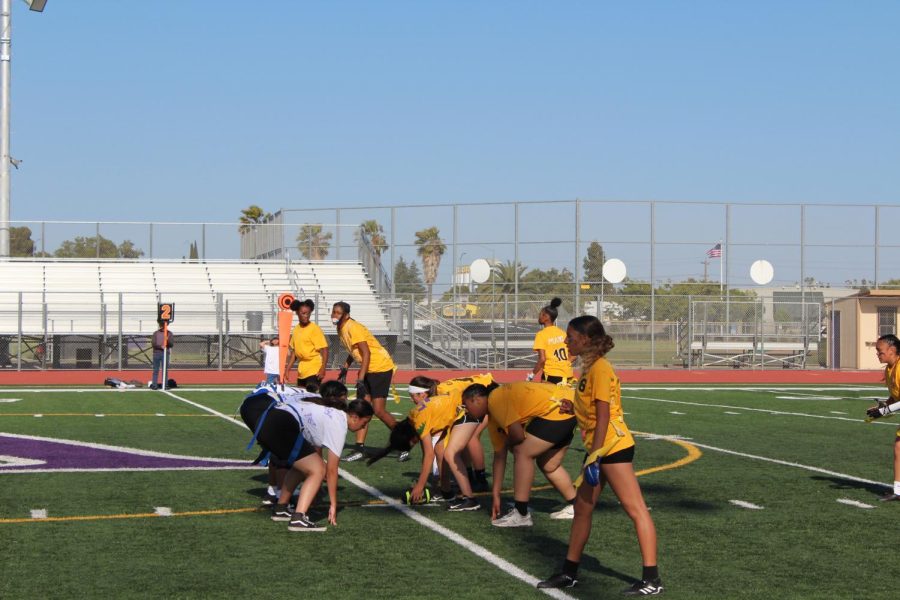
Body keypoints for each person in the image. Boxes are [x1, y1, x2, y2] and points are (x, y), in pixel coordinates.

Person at [537, 315, 662, 596]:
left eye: (570, 336)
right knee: (582, 509)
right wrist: (575, 408)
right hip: (599, 447)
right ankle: (569, 573)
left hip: (611, 447)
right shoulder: (590, 368)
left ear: (585, 339)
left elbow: (604, 414)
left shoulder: (600, 369)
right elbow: (593, 410)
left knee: (635, 508)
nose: (566, 341)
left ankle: (652, 578)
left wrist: (594, 455)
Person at [239, 380, 374, 531]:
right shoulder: (339, 423)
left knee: (303, 466)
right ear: (355, 416)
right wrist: (333, 504)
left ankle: (281, 508)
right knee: (318, 469)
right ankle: (298, 518)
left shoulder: (330, 411)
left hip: (272, 418)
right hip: (278, 422)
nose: (364, 427)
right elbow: (331, 470)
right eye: (364, 422)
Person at [461, 381, 578, 527]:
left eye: (466, 406)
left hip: (561, 408)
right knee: (549, 465)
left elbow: (517, 436)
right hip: (567, 406)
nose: (466, 411)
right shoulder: (493, 413)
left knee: (522, 452)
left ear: (476, 400)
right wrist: (496, 495)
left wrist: (508, 444)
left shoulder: (495, 399)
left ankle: (521, 514)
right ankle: (576, 506)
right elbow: (499, 456)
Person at [330, 301, 399, 462]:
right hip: (369, 369)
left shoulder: (353, 327)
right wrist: (346, 367)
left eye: (338, 313)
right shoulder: (340, 328)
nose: (334, 315)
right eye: (333, 312)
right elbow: (353, 351)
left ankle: (404, 442)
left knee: (379, 410)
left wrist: (360, 378)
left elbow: (366, 353)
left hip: (380, 367)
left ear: (346, 315)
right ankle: (359, 448)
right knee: (363, 408)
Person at [435, 373, 496, 492]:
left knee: (471, 436)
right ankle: (469, 476)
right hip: (479, 395)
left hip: (486, 396)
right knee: (460, 435)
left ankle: (481, 479)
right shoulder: (442, 390)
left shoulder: (442, 392)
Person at [866, 333, 900, 502]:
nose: (877, 354)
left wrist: (884, 412)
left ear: (892, 350)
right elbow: (895, 397)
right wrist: (881, 408)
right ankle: (898, 491)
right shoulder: (889, 369)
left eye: (880, 351)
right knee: (899, 449)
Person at [284, 299, 329, 389]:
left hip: (314, 368)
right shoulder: (296, 329)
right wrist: (287, 369)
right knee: (301, 398)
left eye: (308, 313)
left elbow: (325, 349)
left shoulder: (314, 329)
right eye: (303, 313)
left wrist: (323, 369)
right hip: (302, 371)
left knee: (310, 396)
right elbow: (294, 353)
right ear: (297, 313)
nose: (306, 316)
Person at [529, 297, 573, 384]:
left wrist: (532, 375)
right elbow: (573, 354)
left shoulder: (541, 335)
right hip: (567, 375)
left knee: (545, 397)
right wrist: (564, 363)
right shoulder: (563, 333)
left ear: (546, 317)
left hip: (551, 375)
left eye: (541, 314)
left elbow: (542, 359)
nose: (539, 316)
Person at [150, 320, 173, 390]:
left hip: (165, 353)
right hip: (157, 353)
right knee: (155, 370)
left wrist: (167, 341)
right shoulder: (156, 333)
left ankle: (165, 385)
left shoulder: (169, 333)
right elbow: (153, 344)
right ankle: (154, 385)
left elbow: (171, 344)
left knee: (164, 370)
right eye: (162, 325)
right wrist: (161, 347)